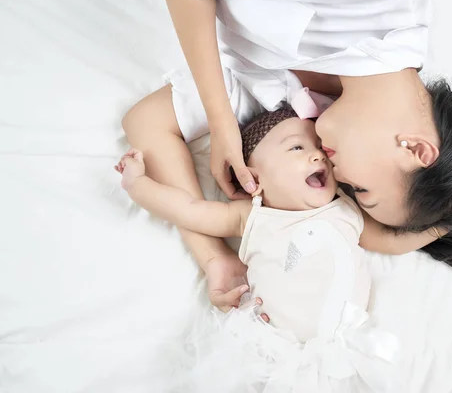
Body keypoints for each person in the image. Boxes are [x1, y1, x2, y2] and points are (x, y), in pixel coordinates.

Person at [122, 0, 452, 311]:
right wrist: (220, 117)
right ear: (415, 148)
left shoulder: (287, 113)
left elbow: (146, 124)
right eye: (361, 187)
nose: (335, 172)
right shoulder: (379, 7)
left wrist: (214, 259)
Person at [116, 108, 426, 392]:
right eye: (297, 147)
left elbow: (389, 241)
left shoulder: (346, 209)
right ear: (255, 179)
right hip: (274, 348)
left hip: (349, 348)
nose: (318, 155)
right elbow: (187, 209)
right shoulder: (251, 217)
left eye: (319, 148)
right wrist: (139, 184)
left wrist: (442, 227)